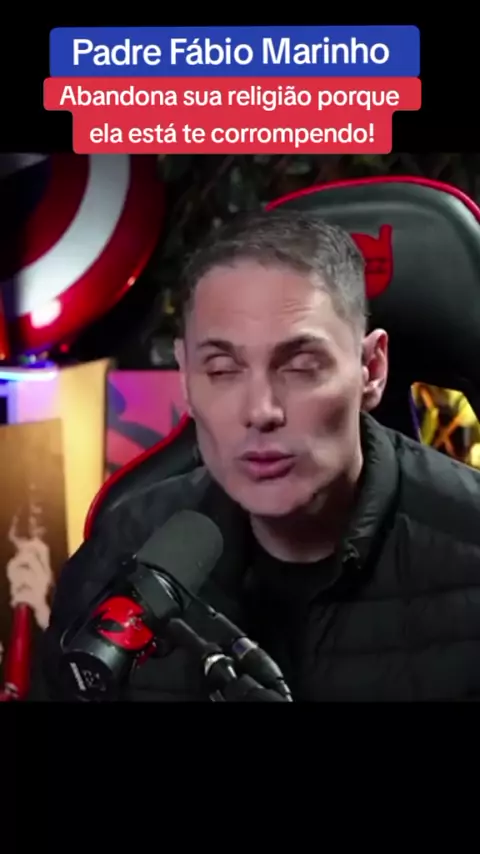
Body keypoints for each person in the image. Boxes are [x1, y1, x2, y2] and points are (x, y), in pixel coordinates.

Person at [41, 209, 480, 702]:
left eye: (301, 366)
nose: (261, 411)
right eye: (222, 369)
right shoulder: (120, 551)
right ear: (185, 377)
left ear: (371, 369)